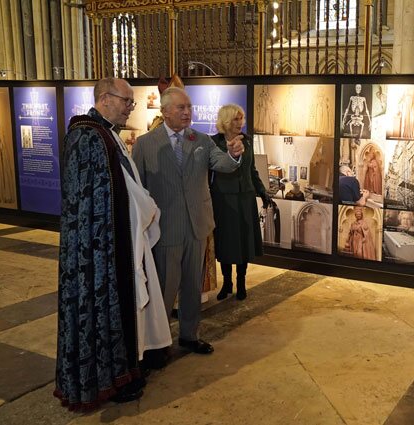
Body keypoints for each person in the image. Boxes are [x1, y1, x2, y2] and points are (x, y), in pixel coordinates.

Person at [56, 77, 171, 410]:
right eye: (126, 101)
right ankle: (107, 381)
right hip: (96, 251)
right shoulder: (86, 137)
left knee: (121, 308)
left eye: (132, 102)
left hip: (114, 242)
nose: (130, 108)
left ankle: (122, 370)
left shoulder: (107, 135)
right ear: (105, 99)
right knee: (101, 312)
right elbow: (83, 202)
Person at [133, 87, 244, 355]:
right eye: (181, 108)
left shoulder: (202, 141)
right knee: (164, 288)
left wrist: (234, 154)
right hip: (165, 228)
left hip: (197, 227)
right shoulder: (146, 144)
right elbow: (138, 188)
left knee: (193, 286)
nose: (187, 112)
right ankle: (157, 343)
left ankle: (189, 335)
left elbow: (223, 164)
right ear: (165, 111)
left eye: (189, 107)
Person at [210, 104, 269, 301]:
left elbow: (252, 171)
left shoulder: (248, 142)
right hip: (222, 199)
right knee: (226, 243)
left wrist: (262, 192)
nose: (240, 123)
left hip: (245, 198)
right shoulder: (213, 144)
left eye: (241, 118)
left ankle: (241, 283)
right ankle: (227, 283)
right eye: (236, 119)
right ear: (226, 122)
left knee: (243, 243)